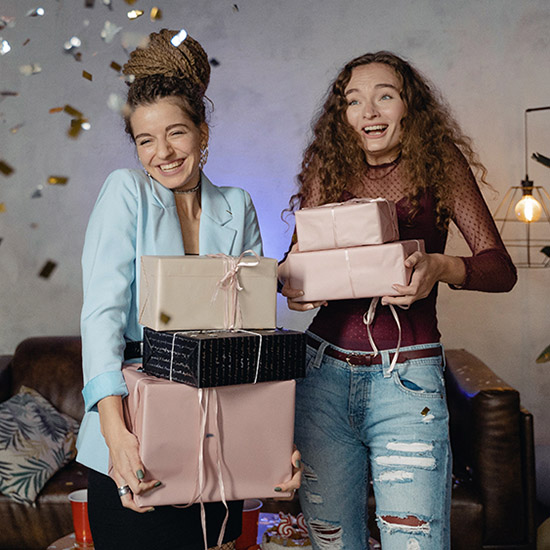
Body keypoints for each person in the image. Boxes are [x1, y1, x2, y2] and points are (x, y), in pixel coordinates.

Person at [280, 51, 517, 550]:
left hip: (406, 382)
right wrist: (292, 281)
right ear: (342, 116)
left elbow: (500, 269)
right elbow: (294, 264)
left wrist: (441, 267)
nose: (369, 111)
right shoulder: (330, 166)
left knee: (417, 541)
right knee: (331, 539)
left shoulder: (440, 162)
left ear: (408, 106)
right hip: (321, 374)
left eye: (384, 96)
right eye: (354, 100)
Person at [76, 29, 300, 550]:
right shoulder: (125, 193)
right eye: (145, 140)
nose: (162, 153)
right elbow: (102, 316)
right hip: (137, 419)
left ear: (202, 131)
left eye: (176, 133)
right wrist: (117, 436)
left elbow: (253, 335)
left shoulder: (237, 205)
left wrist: (275, 441)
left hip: (223, 429)